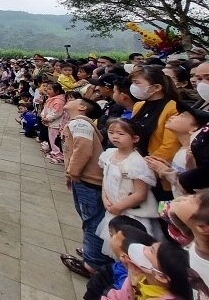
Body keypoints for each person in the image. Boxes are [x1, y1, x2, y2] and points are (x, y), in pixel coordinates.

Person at [60, 94, 112, 278]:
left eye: (74, 100)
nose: (70, 101)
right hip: (86, 178)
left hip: (87, 179)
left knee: (91, 220)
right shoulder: (80, 123)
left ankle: (92, 263)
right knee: (91, 218)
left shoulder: (79, 123)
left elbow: (82, 149)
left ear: (82, 107)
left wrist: (72, 173)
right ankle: (94, 252)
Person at [95, 119, 159, 251]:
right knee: (114, 246)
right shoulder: (109, 154)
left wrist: (119, 206)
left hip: (131, 214)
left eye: (121, 134)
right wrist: (105, 199)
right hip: (113, 208)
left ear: (135, 138)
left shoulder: (137, 162)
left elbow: (140, 194)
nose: (115, 136)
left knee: (130, 247)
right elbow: (105, 179)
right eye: (111, 132)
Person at [129, 66, 181, 200]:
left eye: (137, 83)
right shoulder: (138, 106)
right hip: (136, 169)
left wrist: (144, 168)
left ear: (156, 87)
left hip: (157, 172)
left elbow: (170, 146)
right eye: (133, 83)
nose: (133, 87)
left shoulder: (173, 108)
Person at [41, 82, 67, 164]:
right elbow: (46, 109)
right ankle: (54, 153)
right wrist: (43, 116)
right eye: (47, 89)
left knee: (55, 140)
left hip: (56, 124)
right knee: (51, 140)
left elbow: (56, 112)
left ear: (57, 92)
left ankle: (59, 156)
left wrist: (47, 118)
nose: (47, 90)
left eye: (50, 89)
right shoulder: (51, 99)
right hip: (51, 123)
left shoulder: (59, 101)